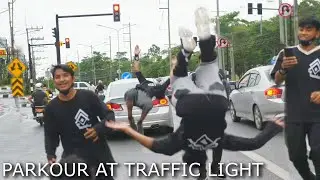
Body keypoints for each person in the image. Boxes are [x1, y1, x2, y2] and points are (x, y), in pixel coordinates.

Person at [44, 64, 116, 180]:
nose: (62, 79)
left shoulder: (88, 97)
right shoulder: (51, 108)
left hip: (100, 159)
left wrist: (98, 129)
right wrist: (50, 154)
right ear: (54, 81)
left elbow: (110, 116)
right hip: (73, 164)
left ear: (73, 79)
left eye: (65, 76)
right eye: (57, 77)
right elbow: (50, 135)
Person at [270, 17, 320, 180]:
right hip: (294, 115)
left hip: (317, 116)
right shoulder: (286, 53)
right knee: (296, 156)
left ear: (317, 33)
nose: (304, 33)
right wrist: (284, 69)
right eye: (301, 29)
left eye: (308, 29)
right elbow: (276, 80)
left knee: (319, 153)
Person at [124, 45, 171, 134]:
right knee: (149, 104)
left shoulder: (144, 81)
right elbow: (171, 77)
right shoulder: (161, 88)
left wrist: (136, 55)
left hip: (133, 92)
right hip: (141, 96)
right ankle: (140, 121)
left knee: (130, 95)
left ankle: (130, 117)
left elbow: (136, 70)